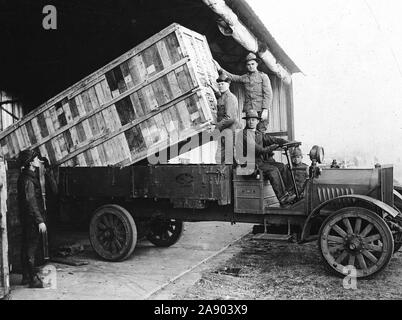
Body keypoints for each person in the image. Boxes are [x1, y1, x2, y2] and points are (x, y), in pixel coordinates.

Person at [238, 110, 296, 206]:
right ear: (246, 121)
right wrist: (274, 146)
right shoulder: (243, 134)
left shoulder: (258, 133)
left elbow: (271, 139)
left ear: (257, 121)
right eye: (249, 120)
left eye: (253, 120)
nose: (251, 122)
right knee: (272, 170)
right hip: (249, 164)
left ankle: (290, 193)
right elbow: (260, 150)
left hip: (260, 162)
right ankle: (283, 198)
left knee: (282, 167)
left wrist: (287, 142)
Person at [214, 52, 273, 122]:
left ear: (257, 64)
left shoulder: (263, 76)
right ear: (246, 66)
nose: (250, 66)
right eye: (248, 64)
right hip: (250, 109)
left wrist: (265, 109)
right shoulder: (245, 77)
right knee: (250, 130)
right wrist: (220, 69)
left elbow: (268, 94)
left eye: (252, 64)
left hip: (261, 109)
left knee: (261, 129)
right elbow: (233, 77)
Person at [17, 149, 47, 288]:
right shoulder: (28, 179)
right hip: (31, 219)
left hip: (26, 218)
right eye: (35, 159)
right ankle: (33, 279)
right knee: (31, 248)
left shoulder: (25, 176)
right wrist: (39, 220)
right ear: (30, 163)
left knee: (25, 246)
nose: (38, 161)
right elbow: (31, 201)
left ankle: (26, 276)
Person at [213, 73, 241, 163]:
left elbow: (229, 118)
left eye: (223, 84)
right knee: (220, 158)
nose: (220, 86)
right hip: (223, 131)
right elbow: (219, 97)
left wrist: (216, 127)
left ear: (228, 85)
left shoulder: (230, 98)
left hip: (229, 131)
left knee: (228, 158)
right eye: (219, 84)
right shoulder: (222, 97)